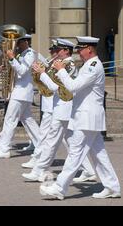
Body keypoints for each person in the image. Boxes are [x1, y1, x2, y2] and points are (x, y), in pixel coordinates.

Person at [40, 36, 121, 200]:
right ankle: (112, 187)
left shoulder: (93, 66)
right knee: (99, 154)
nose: (78, 52)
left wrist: (61, 70)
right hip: (85, 117)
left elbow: (73, 86)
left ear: (89, 49)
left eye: (80, 49)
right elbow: (72, 90)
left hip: (87, 117)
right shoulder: (87, 65)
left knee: (75, 153)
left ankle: (59, 188)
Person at [23, 38, 96, 182]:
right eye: (55, 50)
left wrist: (42, 73)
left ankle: (39, 170)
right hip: (59, 107)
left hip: (64, 107)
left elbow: (56, 88)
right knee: (70, 141)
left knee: (52, 141)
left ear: (66, 51)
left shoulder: (69, 66)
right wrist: (39, 74)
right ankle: (88, 171)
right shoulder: (61, 64)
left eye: (58, 50)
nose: (55, 53)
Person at [0, 34, 41, 159]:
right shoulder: (20, 54)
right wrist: (4, 68)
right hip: (19, 92)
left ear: (25, 42)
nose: (16, 44)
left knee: (9, 120)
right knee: (28, 121)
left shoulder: (30, 54)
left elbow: (22, 71)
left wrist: (12, 59)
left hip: (22, 92)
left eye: (18, 41)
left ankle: (4, 149)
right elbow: (15, 71)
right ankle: (42, 144)